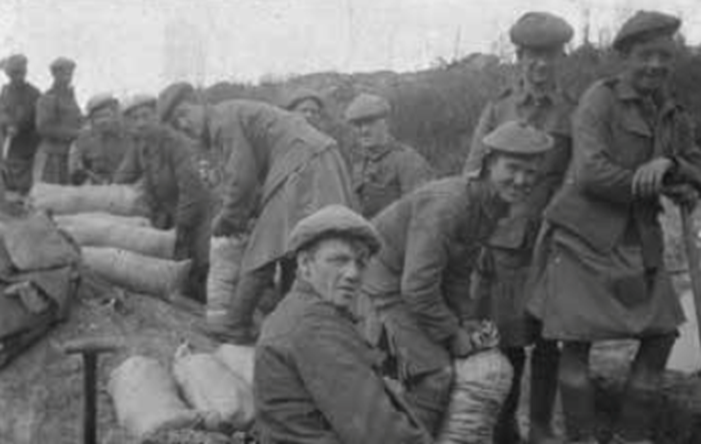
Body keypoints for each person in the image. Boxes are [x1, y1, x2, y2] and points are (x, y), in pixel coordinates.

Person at [527, 11, 701, 444]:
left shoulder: (671, 111)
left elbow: (695, 164)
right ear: (625, 56)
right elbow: (590, 173)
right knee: (576, 343)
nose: (656, 65)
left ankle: (631, 437)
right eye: (646, 55)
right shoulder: (598, 99)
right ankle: (583, 438)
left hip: (639, 240)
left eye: (665, 56)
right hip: (581, 236)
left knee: (661, 337)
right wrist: (660, 182)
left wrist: (673, 163)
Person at [361, 120, 555, 434]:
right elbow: (418, 285)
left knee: (459, 361)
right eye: (513, 168)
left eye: (531, 172)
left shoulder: (490, 205)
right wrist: (452, 334)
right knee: (435, 375)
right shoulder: (450, 205)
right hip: (377, 286)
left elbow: (457, 274)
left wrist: (466, 320)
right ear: (490, 163)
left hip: (406, 285)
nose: (521, 180)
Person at [160, 82, 356, 344]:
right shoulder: (231, 118)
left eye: (184, 114)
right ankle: (293, 326)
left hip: (305, 164)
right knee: (298, 249)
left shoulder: (222, 120)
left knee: (264, 250)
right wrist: (245, 212)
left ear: (200, 103)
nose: (184, 124)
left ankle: (235, 325)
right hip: (316, 160)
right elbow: (251, 180)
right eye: (176, 122)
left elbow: (242, 180)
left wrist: (228, 220)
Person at [462, 11, 575, 444]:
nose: (541, 65)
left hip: (554, 242)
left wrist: (556, 219)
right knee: (508, 340)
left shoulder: (572, 110)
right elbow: (473, 172)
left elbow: (577, 176)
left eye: (550, 55)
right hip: (503, 246)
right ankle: (505, 425)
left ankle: (542, 426)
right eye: (533, 56)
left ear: (560, 57)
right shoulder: (499, 108)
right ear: (519, 57)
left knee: (550, 340)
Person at [255, 204, 432, 444]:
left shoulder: (306, 311)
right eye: (339, 260)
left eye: (360, 263)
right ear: (306, 265)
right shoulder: (313, 324)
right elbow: (378, 434)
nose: (353, 273)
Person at [114, 94, 210, 302]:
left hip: (199, 215)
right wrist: (106, 196)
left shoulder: (175, 143)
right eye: (135, 119)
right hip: (171, 214)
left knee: (204, 266)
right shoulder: (142, 146)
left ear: (157, 116)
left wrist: (181, 228)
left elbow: (192, 191)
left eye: (145, 116)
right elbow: (124, 177)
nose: (141, 123)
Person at [345, 93, 435, 218]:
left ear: (386, 123)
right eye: (358, 125)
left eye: (370, 123)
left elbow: (423, 213)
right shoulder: (358, 163)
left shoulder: (409, 161)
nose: (364, 130)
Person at [34, 57, 83, 184]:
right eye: (65, 73)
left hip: (72, 154)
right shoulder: (49, 97)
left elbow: (76, 120)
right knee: (54, 195)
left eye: (70, 73)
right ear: (55, 74)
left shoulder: (70, 96)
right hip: (55, 155)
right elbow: (44, 128)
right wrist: (75, 134)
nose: (69, 76)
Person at [68, 93, 133, 185]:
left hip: (128, 188)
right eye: (97, 117)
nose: (102, 121)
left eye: (106, 115)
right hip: (95, 189)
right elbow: (75, 170)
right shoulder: (84, 138)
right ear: (91, 120)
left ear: (116, 115)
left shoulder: (132, 136)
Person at [0, 54, 41, 194]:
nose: (18, 76)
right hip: (9, 142)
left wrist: (18, 125)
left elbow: (34, 116)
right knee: (7, 174)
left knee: (24, 182)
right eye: (14, 73)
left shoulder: (33, 93)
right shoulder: (5, 91)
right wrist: (7, 123)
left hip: (27, 143)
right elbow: (2, 111)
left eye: (21, 72)